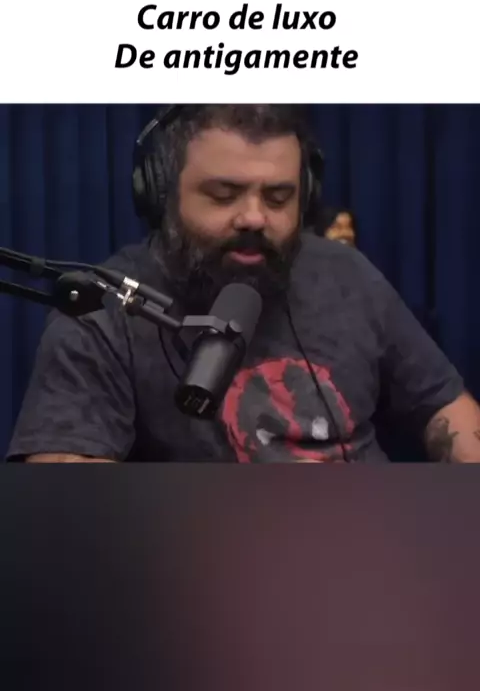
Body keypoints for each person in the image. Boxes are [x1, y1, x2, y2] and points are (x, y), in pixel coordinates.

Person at [7, 104, 480, 463]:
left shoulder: (345, 272)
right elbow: (67, 505)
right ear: (160, 194)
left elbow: (446, 411)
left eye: (278, 197)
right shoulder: (101, 311)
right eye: (224, 194)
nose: (254, 217)